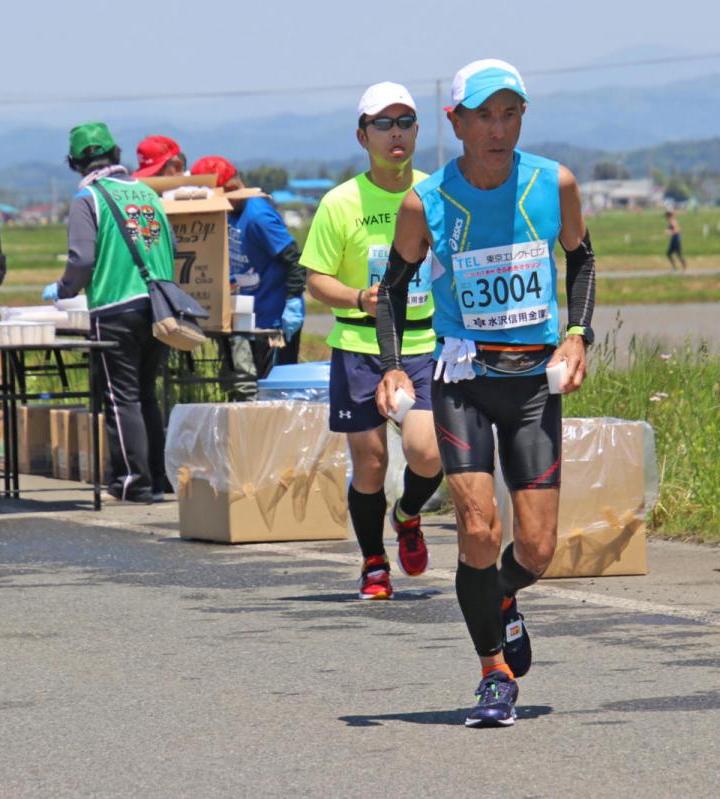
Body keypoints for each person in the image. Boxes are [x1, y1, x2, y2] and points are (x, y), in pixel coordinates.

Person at [374, 60, 595, 726]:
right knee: (476, 526)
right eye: (484, 116)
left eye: (511, 114)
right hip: (463, 381)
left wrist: (578, 333)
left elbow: (580, 257)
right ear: (457, 122)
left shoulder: (553, 183)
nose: (498, 130)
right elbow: (391, 287)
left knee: (536, 549)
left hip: (531, 385)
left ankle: (501, 592)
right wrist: (392, 365)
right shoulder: (427, 199)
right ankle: (492, 673)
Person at [301, 82, 444, 601]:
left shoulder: (435, 192)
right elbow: (314, 278)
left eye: (405, 121)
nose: (395, 133)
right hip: (359, 347)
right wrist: (360, 297)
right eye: (382, 124)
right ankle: (373, 562)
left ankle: (407, 516)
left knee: (428, 455)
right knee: (371, 463)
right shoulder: (340, 202)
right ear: (363, 136)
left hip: (423, 343)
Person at [43, 121, 173, 503]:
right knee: (148, 394)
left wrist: (64, 289)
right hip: (159, 305)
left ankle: (134, 480)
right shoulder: (147, 194)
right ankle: (157, 476)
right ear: (116, 154)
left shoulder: (89, 199)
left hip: (116, 307)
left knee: (122, 397)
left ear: (75, 162)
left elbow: (82, 259)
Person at [191, 156, 305, 398]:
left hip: (274, 322)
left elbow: (294, 259)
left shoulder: (258, 217)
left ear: (231, 188)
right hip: (251, 317)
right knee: (251, 388)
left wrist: (293, 301)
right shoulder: (231, 212)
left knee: (275, 393)